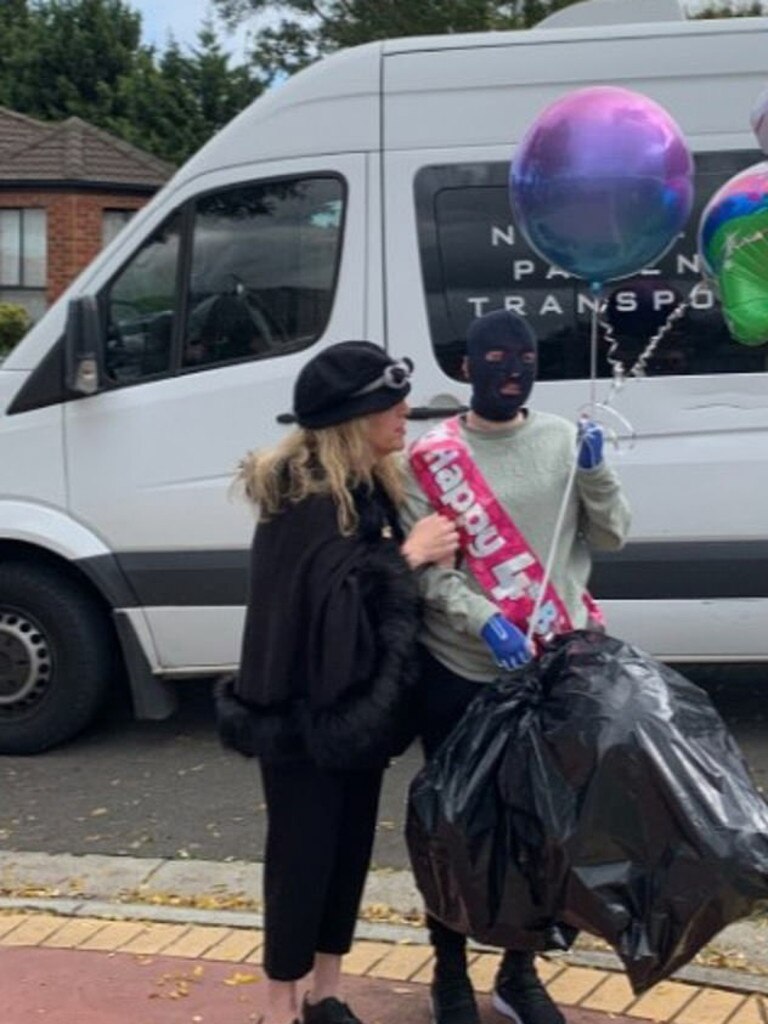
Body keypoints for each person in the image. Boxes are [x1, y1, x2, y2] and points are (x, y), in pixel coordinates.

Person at [215, 340, 459, 1024]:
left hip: (351, 709)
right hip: (300, 716)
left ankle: (327, 994)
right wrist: (408, 557)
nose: (404, 412)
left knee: (348, 848)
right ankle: (279, 1007)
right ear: (357, 415)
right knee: (302, 857)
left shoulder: (365, 485)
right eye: (391, 402)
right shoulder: (308, 498)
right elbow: (334, 604)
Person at [400, 309, 631, 1024]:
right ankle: (447, 973)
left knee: (542, 830)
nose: (511, 370)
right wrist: (485, 618)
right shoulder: (429, 458)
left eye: (524, 357)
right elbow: (430, 574)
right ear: (466, 369)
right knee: (456, 828)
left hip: (555, 670)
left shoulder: (563, 438)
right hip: (462, 670)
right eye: (495, 357)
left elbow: (613, 535)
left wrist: (594, 472)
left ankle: (519, 973)